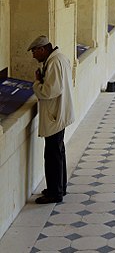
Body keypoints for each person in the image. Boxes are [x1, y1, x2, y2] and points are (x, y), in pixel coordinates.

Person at [28, 35, 75, 204]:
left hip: (55, 115)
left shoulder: (54, 62)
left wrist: (36, 84)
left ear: (42, 49)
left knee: (53, 155)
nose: (33, 56)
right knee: (58, 152)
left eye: (34, 51)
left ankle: (55, 193)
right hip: (59, 113)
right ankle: (59, 186)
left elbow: (50, 91)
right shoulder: (58, 58)